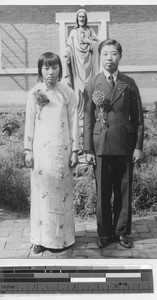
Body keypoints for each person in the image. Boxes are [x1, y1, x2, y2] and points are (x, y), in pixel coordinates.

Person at [83, 39, 144, 249]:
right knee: (103, 192)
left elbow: (138, 119)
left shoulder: (129, 83)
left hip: (125, 146)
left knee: (124, 191)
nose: (110, 58)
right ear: (100, 56)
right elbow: (88, 120)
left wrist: (138, 147)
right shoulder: (92, 84)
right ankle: (104, 233)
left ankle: (122, 232)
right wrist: (88, 149)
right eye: (106, 54)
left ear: (120, 56)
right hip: (100, 147)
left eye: (114, 54)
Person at [24, 52, 79, 254]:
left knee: (61, 195)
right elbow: (29, 123)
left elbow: (74, 123)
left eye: (54, 67)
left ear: (59, 70)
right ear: (40, 70)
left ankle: (64, 238)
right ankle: (39, 239)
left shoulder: (67, 93)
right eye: (46, 68)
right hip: (41, 154)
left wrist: (75, 151)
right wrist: (28, 150)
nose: (50, 72)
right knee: (42, 195)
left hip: (62, 152)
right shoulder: (34, 93)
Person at [64, 9, 99, 123]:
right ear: (77, 18)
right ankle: (79, 115)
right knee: (78, 90)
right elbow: (69, 46)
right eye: (80, 17)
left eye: (83, 17)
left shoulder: (90, 31)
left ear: (86, 18)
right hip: (77, 65)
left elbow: (97, 44)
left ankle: (89, 113)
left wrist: (89, 42)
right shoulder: (73, 33)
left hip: (89, 64)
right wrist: (68, 55)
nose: (82, 19)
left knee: (89, 87)